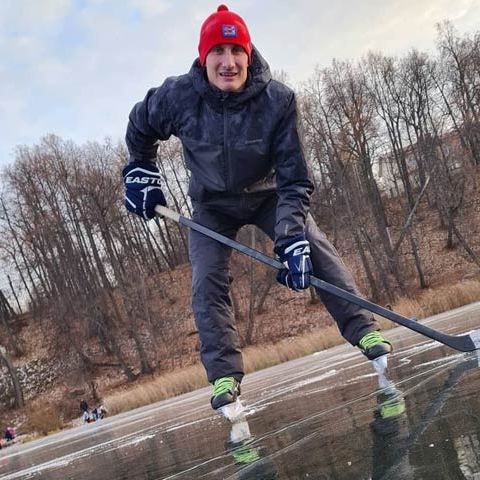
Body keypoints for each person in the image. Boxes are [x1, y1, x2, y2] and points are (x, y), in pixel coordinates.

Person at [122, 4, 391, 410]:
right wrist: (141, 169)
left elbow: (295, 178)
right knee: (206, 279)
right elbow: (139, 126)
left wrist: (291, 239)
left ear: (248, 54)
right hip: (212, 203)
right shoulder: (177, 97)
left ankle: (365, 329)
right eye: (218, 52)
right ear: (203, 56)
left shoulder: (278, 101)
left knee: (314, 248)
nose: (228, 62)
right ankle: (224, 377)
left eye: (236, 51)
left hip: (268, 194)